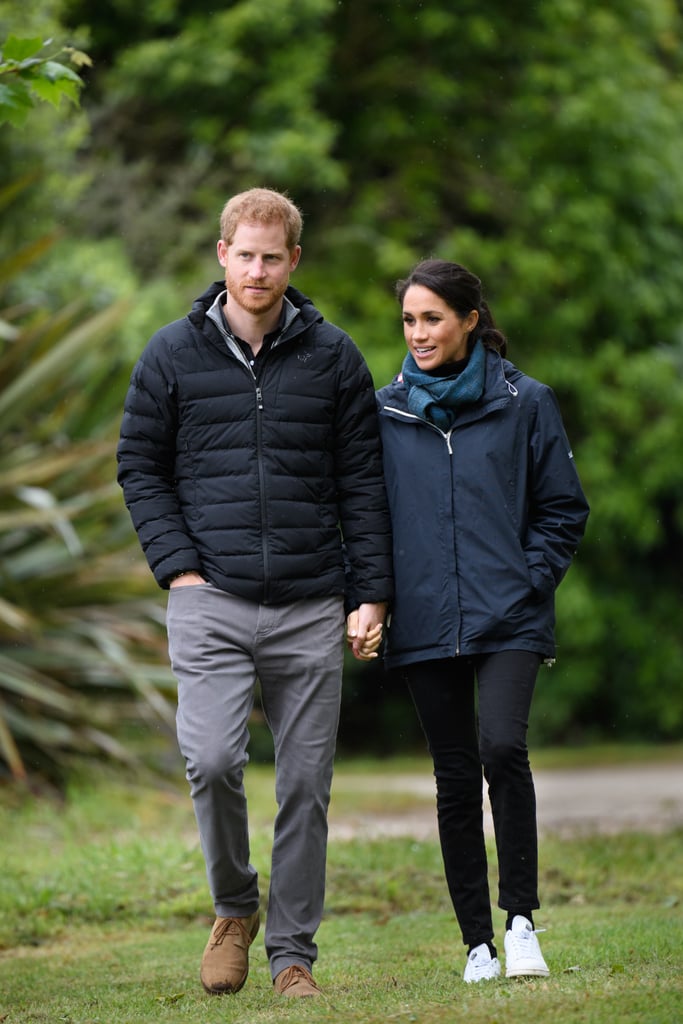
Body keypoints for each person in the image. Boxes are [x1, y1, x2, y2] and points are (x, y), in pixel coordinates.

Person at [117, 188, 392, 999]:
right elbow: (140, 466)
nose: (258, 270)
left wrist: (368, 593)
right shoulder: (171, 354)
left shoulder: (335, 357)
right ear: (221, 255)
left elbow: (363, 484)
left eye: (273, 257)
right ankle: (235, 907)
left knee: (306, 784)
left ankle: (292, 955)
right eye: (245, 254)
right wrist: (179, 570)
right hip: (211, 596)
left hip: (311, 600)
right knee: (209, 759)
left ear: (293, 262)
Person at [371, 258, 589, 984]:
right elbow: (365, 516)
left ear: (469, 319)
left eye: (432, 317)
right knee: (454, 776)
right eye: (408, 319)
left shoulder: (526, 402)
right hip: (424, 614)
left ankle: (521, 919)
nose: (418, 332)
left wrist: (528, 582)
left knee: (501, 748)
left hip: (509, 614)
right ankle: (476, 944)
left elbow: (563, 509)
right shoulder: (386, 411)